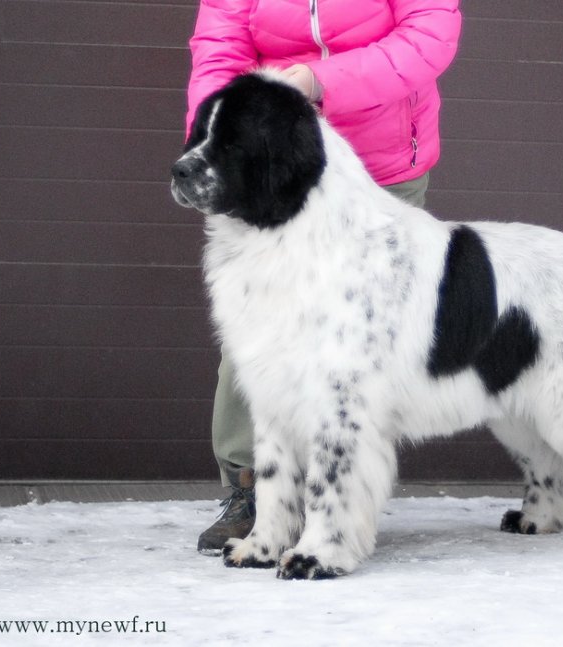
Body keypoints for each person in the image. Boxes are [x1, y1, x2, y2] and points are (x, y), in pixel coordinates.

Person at [183, 0, 462, 554]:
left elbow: (430, 33)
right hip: (273, 177)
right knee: (260, 331)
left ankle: (339, 501)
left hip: (380, 167)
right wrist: (213, 136)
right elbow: (219, 53)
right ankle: (252, 489)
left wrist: (320, 80)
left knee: (357, 350)